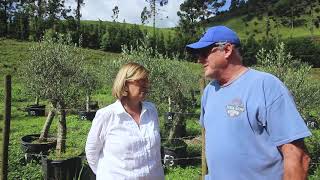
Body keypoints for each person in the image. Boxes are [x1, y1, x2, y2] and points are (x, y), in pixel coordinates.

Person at [186, 26, 311, 180]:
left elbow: (297, 156)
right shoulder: (209, 91)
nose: (199, 59)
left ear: (227, 50)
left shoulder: (265, 85)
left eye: (204, 53)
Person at [85, 62, 164, 180]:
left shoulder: (151, 110)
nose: (146, 85)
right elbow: (91, 152)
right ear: (125, 84)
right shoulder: (107, 115)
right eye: (140, 81)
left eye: (146, 81)